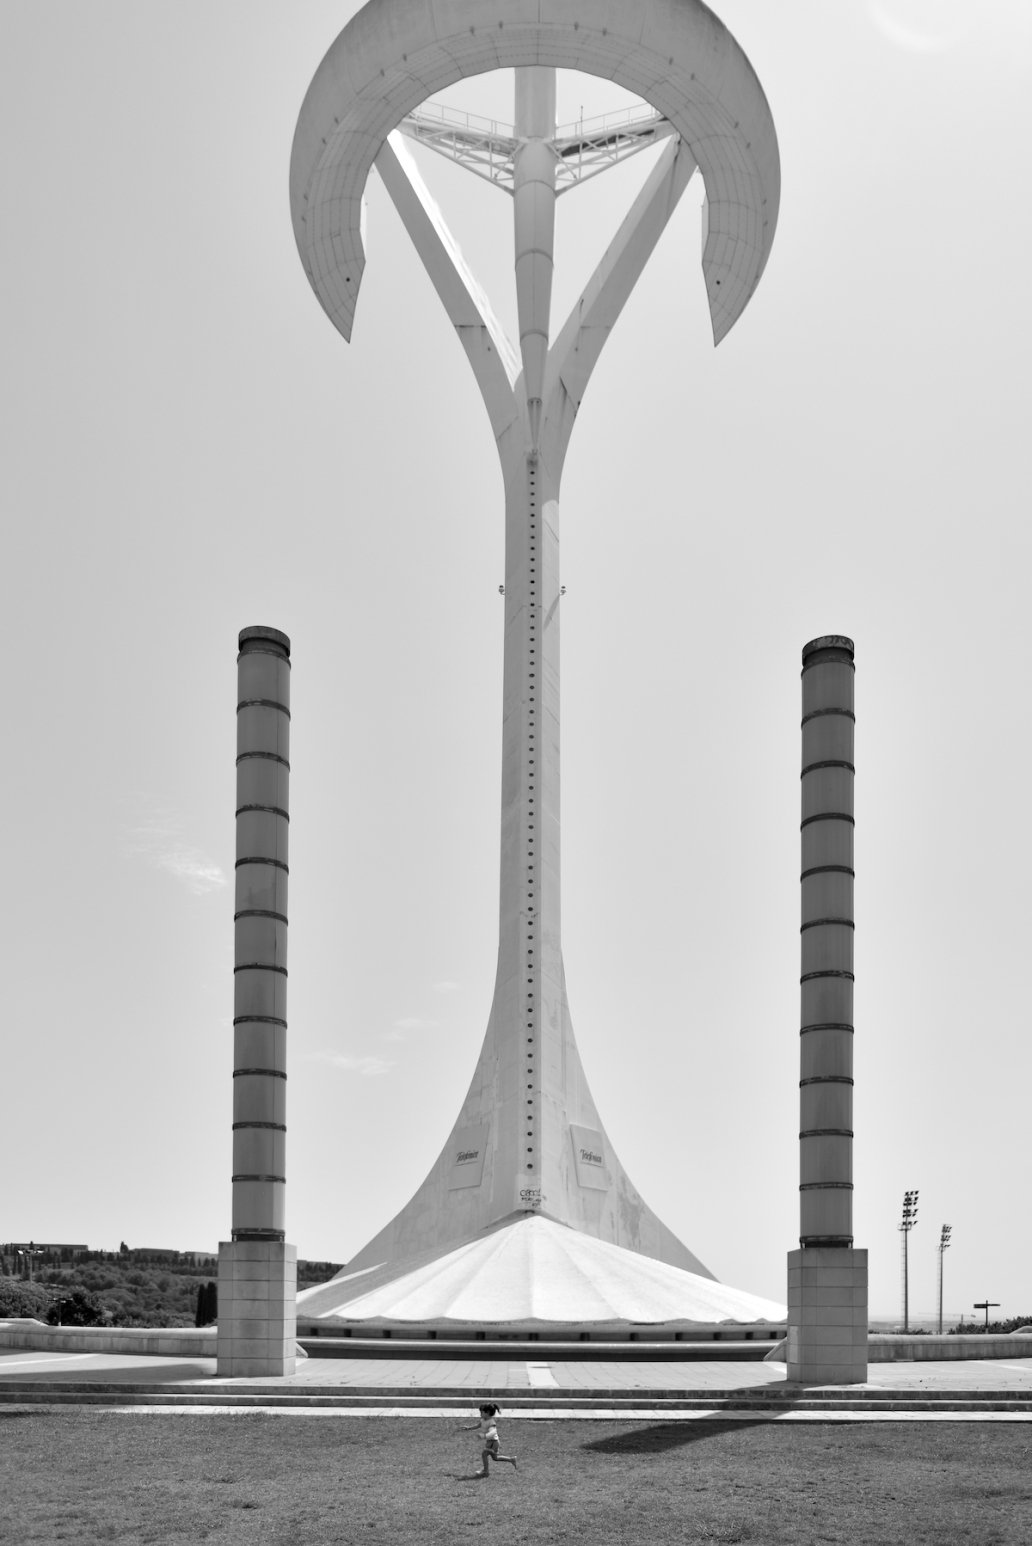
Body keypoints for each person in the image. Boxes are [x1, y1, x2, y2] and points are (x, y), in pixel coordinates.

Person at [463, 1402, 518, 1477]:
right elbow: (478, 1425)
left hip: (494, 1442)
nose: (480, 1414)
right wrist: (469, 1428)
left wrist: (483, 1436)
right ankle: (511, 1459)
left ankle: (485, 1471)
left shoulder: (491, 1422)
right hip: (490, 1442)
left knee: (484, 1454)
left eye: (481, 1412)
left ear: (487, 1413)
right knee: (495, 1458)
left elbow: (493, 1432)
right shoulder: (483, 1420)